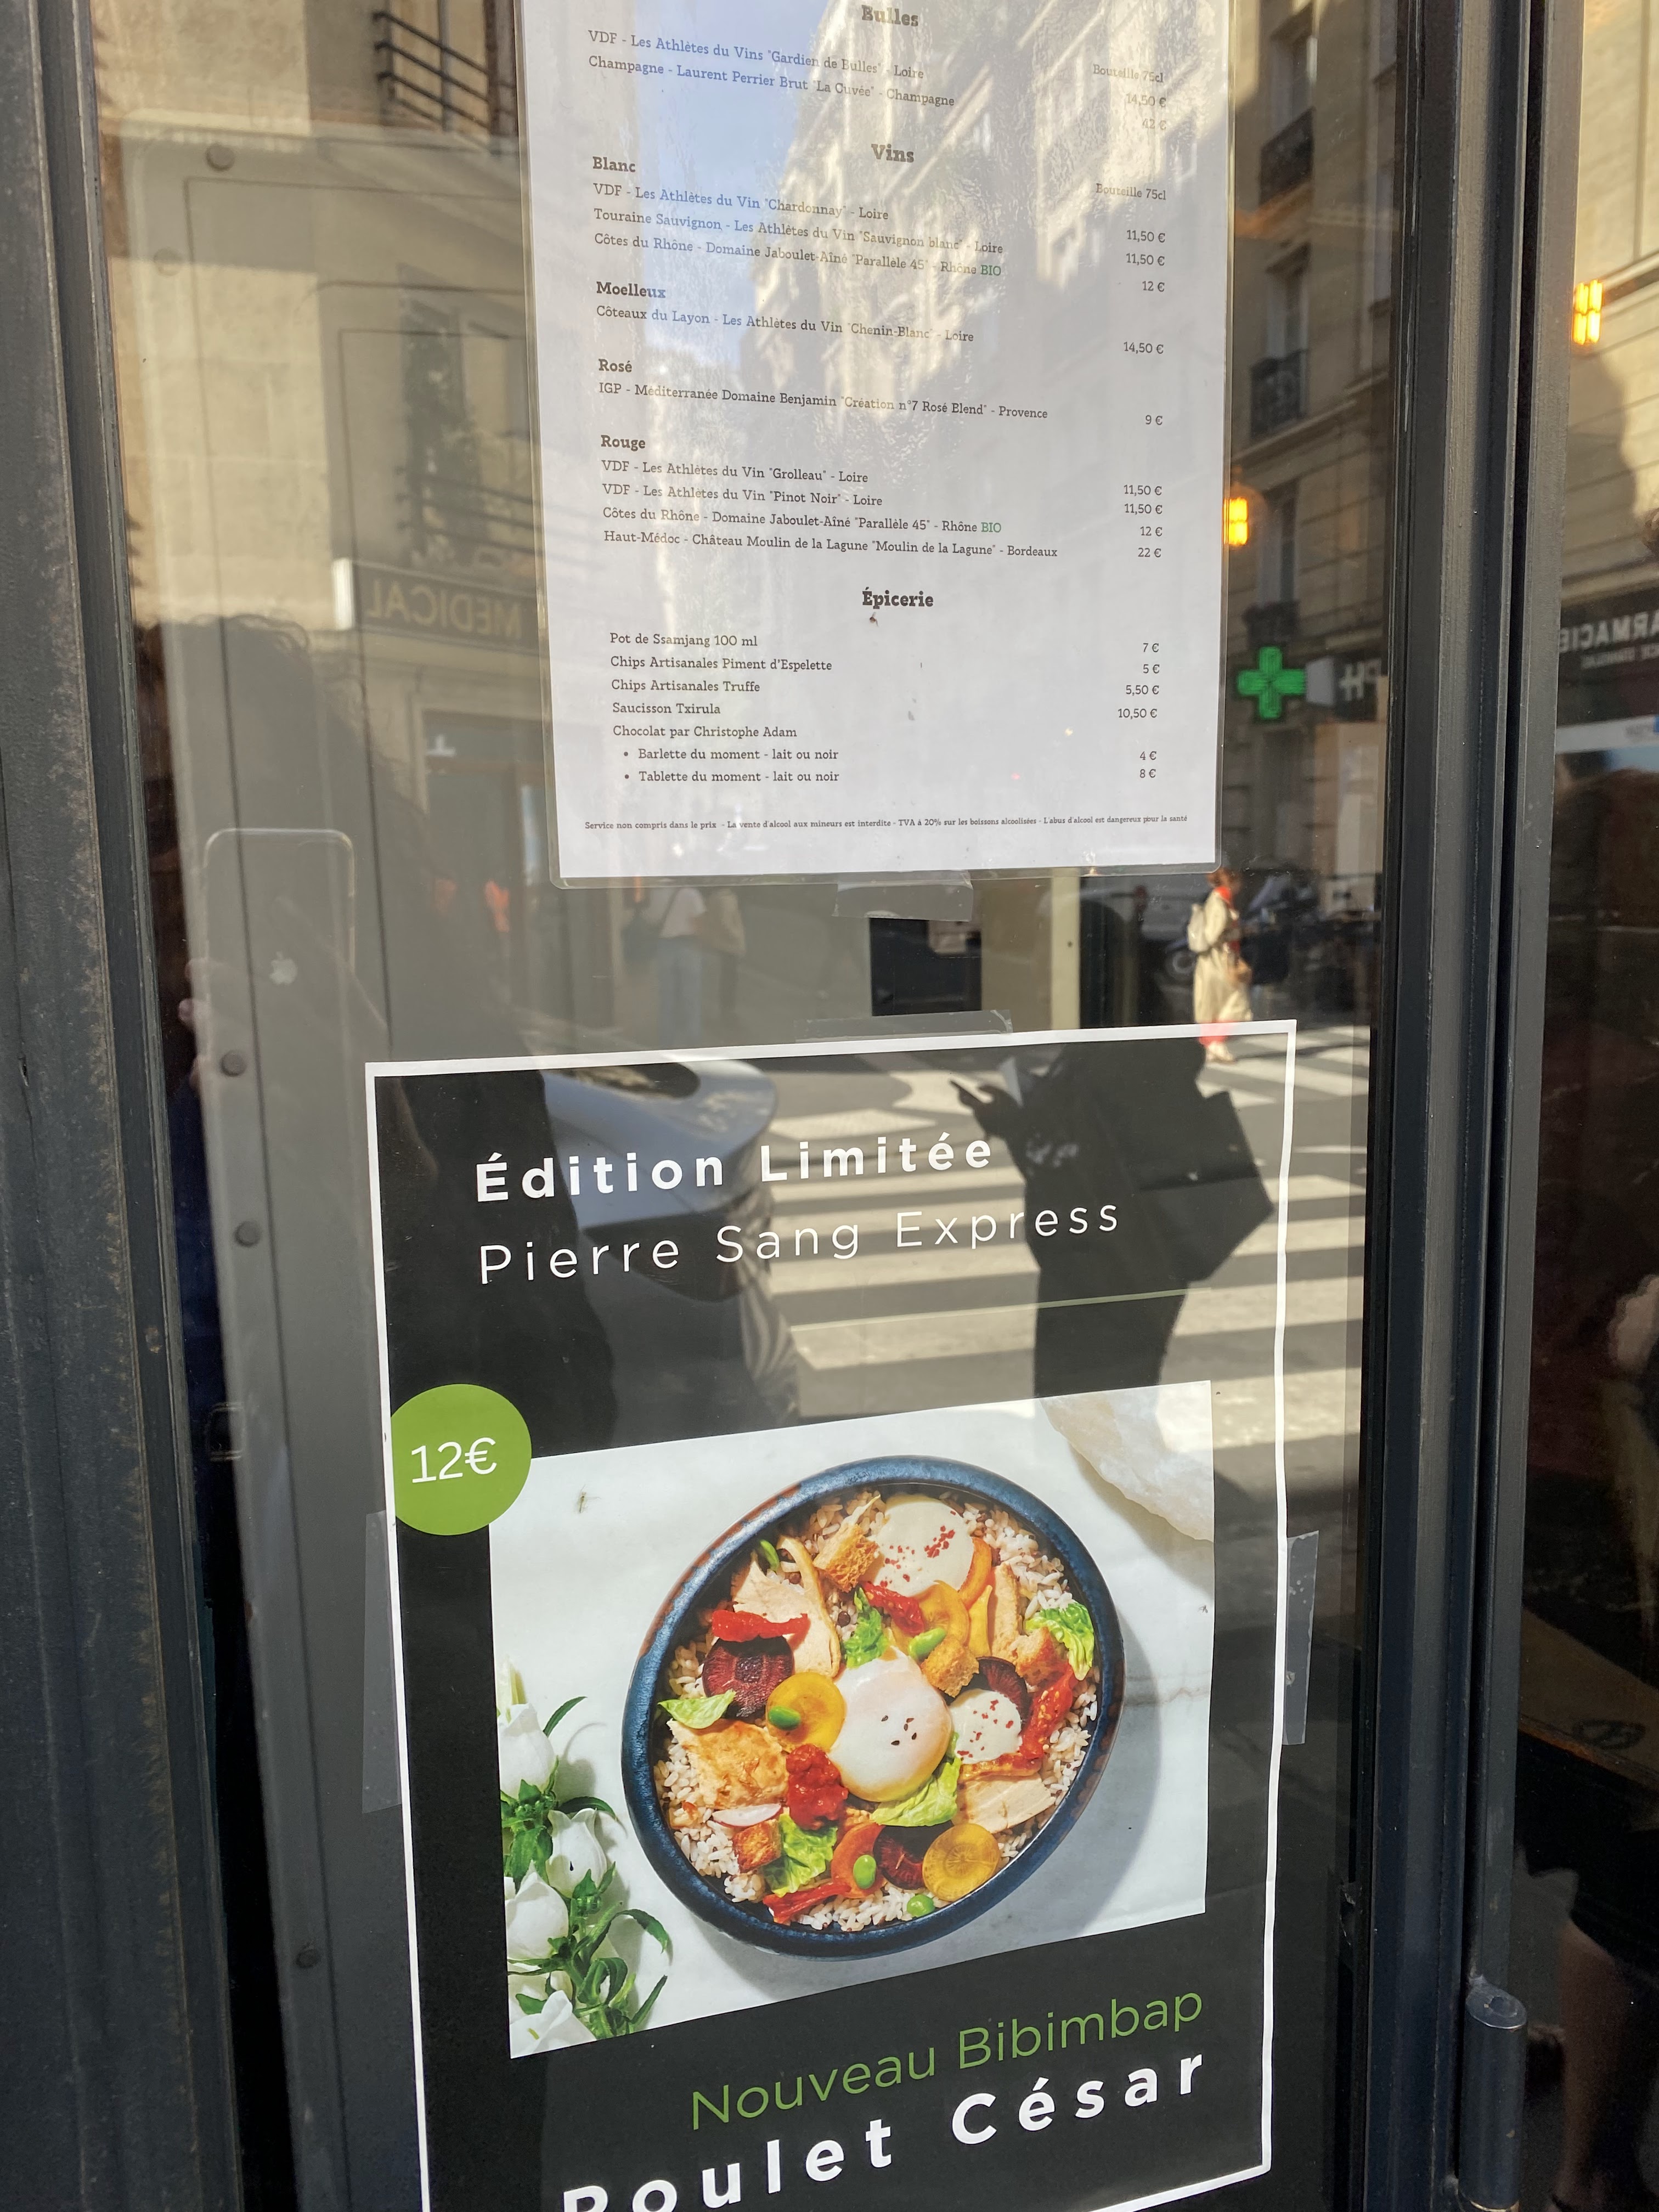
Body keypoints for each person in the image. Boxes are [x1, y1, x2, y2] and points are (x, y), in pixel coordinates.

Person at [1190, 864, 1252, 1062]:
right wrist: (1239, 932)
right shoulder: (1221, 899)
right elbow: (1214, 935)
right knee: (1235, 1001)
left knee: (1213, 1002)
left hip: (1216, 959)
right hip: (1219, 960)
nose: (1241, 886)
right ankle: (1216, 1043)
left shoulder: (1219, 899)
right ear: (1231, 881)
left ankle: (1212, 1045)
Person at [647, 883, 707, 1043]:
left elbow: (651, 919)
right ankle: (692, 1039)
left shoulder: (656, 892)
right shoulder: (691, 894)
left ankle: (666, 1039)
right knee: (690, 996)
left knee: (667, 997)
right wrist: (701, 945)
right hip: (688, 944)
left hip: (664, 945)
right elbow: (699, 923)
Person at [700, 887, 746, 1026]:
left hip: (720, 944)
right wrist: (738, 937)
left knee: (725, 979)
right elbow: (726, 923)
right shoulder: (726, 899)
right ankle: (727, 1012)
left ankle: (724, 1011)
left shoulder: (715, 898)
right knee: (730, 980)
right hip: (730, 946)